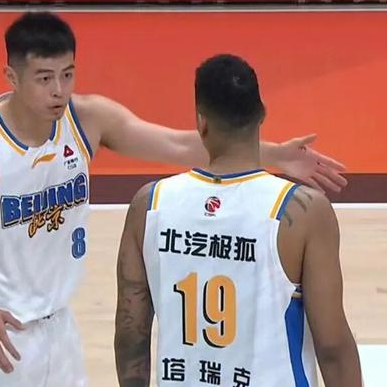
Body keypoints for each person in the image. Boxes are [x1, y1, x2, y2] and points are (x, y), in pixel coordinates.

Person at [0, 12, 347, 386]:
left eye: (67, 74)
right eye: (44, 78)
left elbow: (176, 144)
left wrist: (276, 156)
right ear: (11, 77)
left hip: (58, 325)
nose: (58, 90)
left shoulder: (87, 119)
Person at [114, 54, 361, 387]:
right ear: (262, 114)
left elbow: (131, 335)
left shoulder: (148, 204)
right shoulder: (304, 211)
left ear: (201, 123)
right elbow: (332, 347)